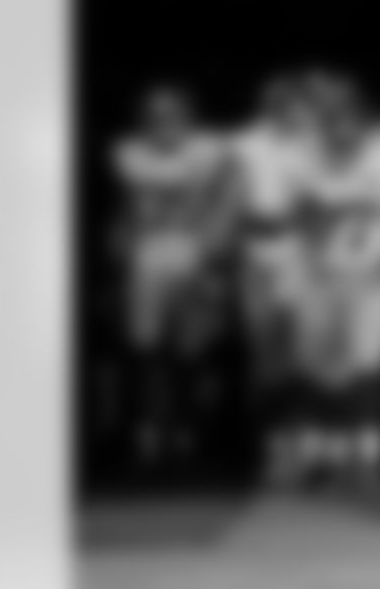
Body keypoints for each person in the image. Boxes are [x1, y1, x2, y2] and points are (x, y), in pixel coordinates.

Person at [289, 74, 380, 488]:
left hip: (372, 278)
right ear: (324, 127)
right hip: (321, 276)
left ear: (363, 124)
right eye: (333, 121)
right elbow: (302, 220)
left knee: (368, 368)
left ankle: (369, 456)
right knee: (319, 371)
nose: (341, 128)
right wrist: (318, 243)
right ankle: (318, 454)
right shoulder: (305, 163)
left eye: (349, 120)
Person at [112, 85, 233, 470]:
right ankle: (148, 429)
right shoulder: (128, 152)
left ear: (188, 117)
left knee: (193, 350)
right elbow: (135, 203)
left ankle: (191, 429)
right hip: (148, 255)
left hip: (193, 252)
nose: (164, 123)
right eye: (155, 115)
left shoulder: (211, 148)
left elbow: (226, 195)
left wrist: (216, 253)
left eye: (172, 115)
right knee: (147, 350)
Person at [232, 74, 319, 486]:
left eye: (292, 101)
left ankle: (303, 448)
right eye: (276, 101)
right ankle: (271, 452)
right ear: (265, 104)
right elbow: (233, 200)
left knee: (299, 354)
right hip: (256, 256)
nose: (285, 108)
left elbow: (318, 201)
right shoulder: (244, 143)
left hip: (302, 257)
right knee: (265, 356)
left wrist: (295, 220)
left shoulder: (314, 142)